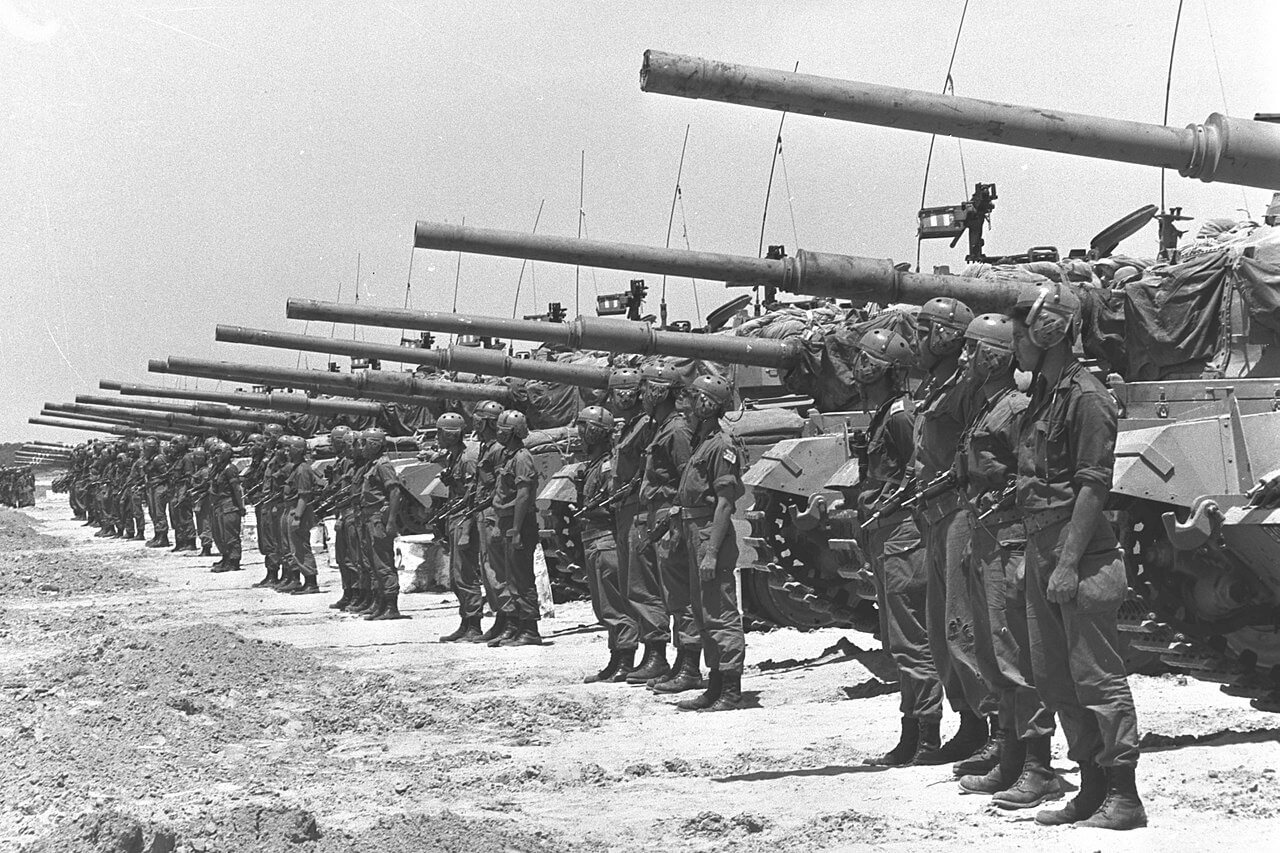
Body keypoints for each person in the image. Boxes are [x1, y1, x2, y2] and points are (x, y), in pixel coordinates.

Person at [1010, 281, 1145, 830]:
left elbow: (1093, 486)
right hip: (1047, 548)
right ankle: (1091, 788)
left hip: (1080, 554)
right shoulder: (1045, 393)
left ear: (1050, 331)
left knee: (1097, 678)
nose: (1015, 343)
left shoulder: (1087, 396)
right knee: (1054, 678)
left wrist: (1066, 562)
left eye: (1022, 333)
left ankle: (1124, 796)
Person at [952, 314, 1060, 807]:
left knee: (1017, 655)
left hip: (1011, 541)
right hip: (985, 538)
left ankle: (1039, 766)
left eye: (972, 350)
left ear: (993, 357)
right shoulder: (987, 407)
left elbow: (1033, 474)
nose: (963, 358)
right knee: (995, 656)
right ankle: (1012, 758)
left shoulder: (1015, 408)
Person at [911, 297, 998, 771]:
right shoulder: (936, 387)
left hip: (961, 512)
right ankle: (969, 721)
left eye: (925, 332)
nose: (917, 341)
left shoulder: (967, 387)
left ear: (944, 335)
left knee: (965, 626)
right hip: (934, 514)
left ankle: (995, 727)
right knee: (943, 631)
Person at [854, 328, 944, 765]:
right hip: (886, 534)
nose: (859, 370)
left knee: (912, 640)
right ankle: (912, 730)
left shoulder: (900, 416)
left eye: (867, 363)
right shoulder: (885, 414)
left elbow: (918, 473)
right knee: (898, 640)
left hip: (903, 536)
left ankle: (927, 735)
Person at [673, 374, 747, 712]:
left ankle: (730, 689)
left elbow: (725, 502)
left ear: (706, 404)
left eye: (693, 400)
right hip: (694, 530)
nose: (687, 407)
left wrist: (712, 552)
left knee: (720, 611)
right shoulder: (703, 441)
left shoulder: (721, 445)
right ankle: (716, 684)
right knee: (704, 613)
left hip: (708, 532)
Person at [637, 361, 701, 693]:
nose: (641, 394)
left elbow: (687, 478)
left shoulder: (676, 430)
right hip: (659, 514)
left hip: (670, 515)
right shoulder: (662, 426)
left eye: (646, 388)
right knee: (672, 594)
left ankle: (690, 666)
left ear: (658, 391)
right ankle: (681, 663)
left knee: (682, 594)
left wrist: (674, 520)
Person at [609, 367, 668, 676]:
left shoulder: (646, 425)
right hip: (626, 509)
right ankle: (648, 652)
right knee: (632, 586)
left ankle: (657, 653)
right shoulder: (631, 425)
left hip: (639, 510)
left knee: (644, 586)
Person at [575, 404, 639, 681]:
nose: (579, 435)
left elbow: (615, 506)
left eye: (583, 429)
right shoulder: (592, 466)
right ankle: (616, 659)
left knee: (615, 605)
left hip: (605, 539)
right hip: (593, 538)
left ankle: (625, 659)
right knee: (603, 607)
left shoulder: (608, 466)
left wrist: (592, 510)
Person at [488, 409, 543, 646]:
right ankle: (518, 625)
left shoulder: (522, 457)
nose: (498, 432)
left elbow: (523, 495)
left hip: (518, 521)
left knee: (522, 577)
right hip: (507, 520)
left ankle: (530, 629)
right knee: (511, 577)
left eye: (503, 429)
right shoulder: (508, 456)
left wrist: (517, 529)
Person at [434, 412, 485, 642]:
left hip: (464, 520)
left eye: (440, 432)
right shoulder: (455, 457)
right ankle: (465, 621)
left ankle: (474, 624)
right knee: (456, 577)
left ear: (451, 434)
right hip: (455, 518)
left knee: (465, 574)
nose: (437, 437)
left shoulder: (467, 459)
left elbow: (473, 496)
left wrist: (466, 530)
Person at [472, 400, 514, 641]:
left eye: (478, 418)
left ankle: (509, 618)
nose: (474, 422)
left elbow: (500, 484)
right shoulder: (486, 447)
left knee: (498, 569)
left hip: (493, 513)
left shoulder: (497, 449)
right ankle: (501, 616)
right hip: (484, 511)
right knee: (488, 568)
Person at [357, 428, 409, 620]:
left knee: (383, 563)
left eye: (364, 443)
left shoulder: (383, 465)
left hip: (379, 518)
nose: (360, 447)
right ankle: (381, 603)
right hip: (370, 517)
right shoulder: (373, 464)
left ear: (373, 444)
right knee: (374, 563)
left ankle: (391, 606)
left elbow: (395, 492)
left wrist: (391, 521)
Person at [324, 426, 361, 610]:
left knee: (351, 558)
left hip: (349, 513)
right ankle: (348, 592)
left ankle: (356, 594)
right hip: (342, 512)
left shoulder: (348, 462)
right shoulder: (340, 461)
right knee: (342, 557)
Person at [282, 435, 323, 594]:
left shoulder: (302, 469)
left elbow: (304, 495)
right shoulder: (297, 467)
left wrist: (297, 517)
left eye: (289, 449)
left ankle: (311, 582)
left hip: (299, 512)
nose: (286, 452)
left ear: (297, 451)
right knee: (295, 547)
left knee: (301, 547)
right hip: (294, 509)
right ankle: (306, 580)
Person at [208, 440, 246, 573]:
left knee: (230, 535)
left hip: (229, 504)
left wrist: (241, 506)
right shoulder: (217, 468)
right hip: (219, 504)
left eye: (218, 453)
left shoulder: (230, 469)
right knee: (219, 535)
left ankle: (233, 561)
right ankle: (226, 558)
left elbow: (237, 489)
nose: (214, 456)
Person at [167, 437, 198, 553]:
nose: (172, 446)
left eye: (175, 444)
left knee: (185, 516)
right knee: (175, 517)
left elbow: (189, 476)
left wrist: (184, 493)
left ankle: (190, 541)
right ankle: (180, 541)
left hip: (182, 488)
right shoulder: (177, 458)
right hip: (175, 488)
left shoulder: (187, 458)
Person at [142, 437, 172, 548]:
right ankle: (157, 535)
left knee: (159, 513)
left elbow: (167, 474)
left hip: (159, 488)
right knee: (153, 512)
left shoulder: (158, 459)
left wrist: (157, 481)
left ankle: (163, 537)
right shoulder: (151, 459)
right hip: (152, 487)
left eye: (145, 448)